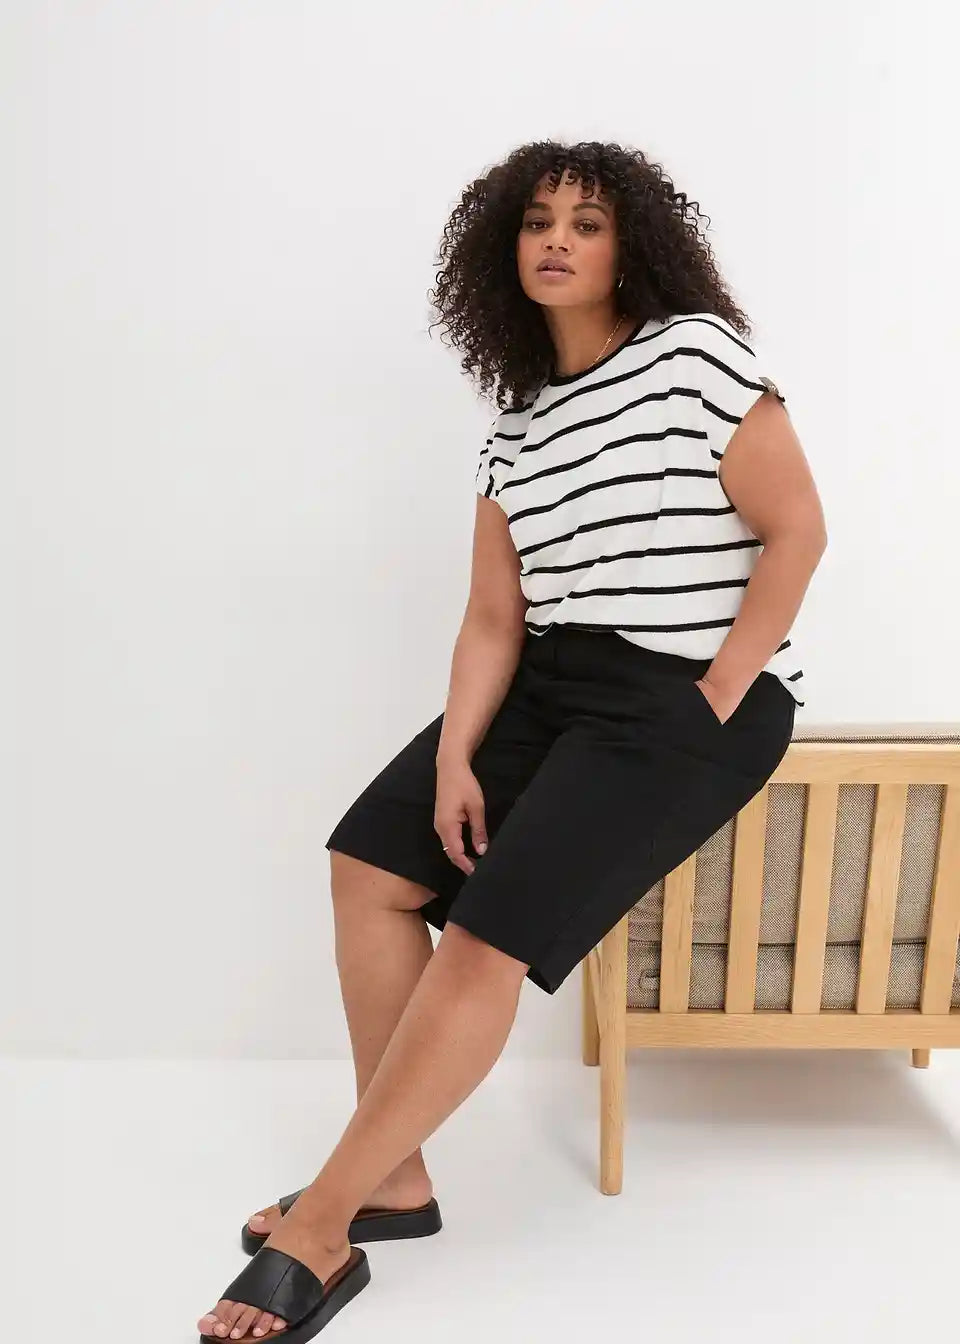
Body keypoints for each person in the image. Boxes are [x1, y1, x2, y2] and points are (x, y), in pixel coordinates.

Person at [197, 139, 828, 1341]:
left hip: (686, 700)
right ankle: (394, 1175)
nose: (557, 241)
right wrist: (453, 759)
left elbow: (797, 531)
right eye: (538, 222)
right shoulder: (516, 425)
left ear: (629, 247)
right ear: (506, 250)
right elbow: (495, 617)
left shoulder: (695, 356)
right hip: (552, 684)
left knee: (483, 941)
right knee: (369, 867)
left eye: (586, 224)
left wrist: (719, 689)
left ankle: (322, 1226)